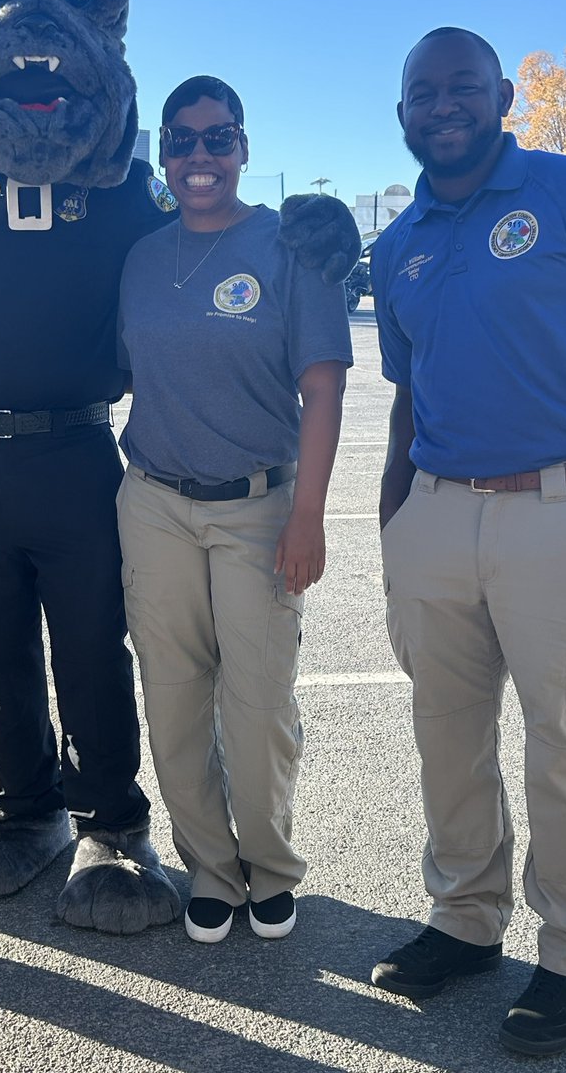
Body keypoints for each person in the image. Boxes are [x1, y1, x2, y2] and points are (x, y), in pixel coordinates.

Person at [368, 28, 566, 1056]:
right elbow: (405, 396)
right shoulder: (398, 244)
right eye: (421, 92)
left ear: (501, 98)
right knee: (447, 740)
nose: (441, 105)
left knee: (565, 749)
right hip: (435, 517)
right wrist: (395, 517)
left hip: (559, 514)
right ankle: (464, 921)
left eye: (461, 88)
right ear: (401, 113)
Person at [116, 76, 354, 943]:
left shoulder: (290, 246)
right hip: (152, 503)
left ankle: (270, 864)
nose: (200, 157)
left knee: (256, 706)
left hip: (259, 506)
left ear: (244, 148)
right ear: (164, 154)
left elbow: (322, 390)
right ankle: (210, 868)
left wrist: (309, 515)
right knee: (174, 698)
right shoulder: (141, 257)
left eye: (218, 139)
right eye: (181, 141)